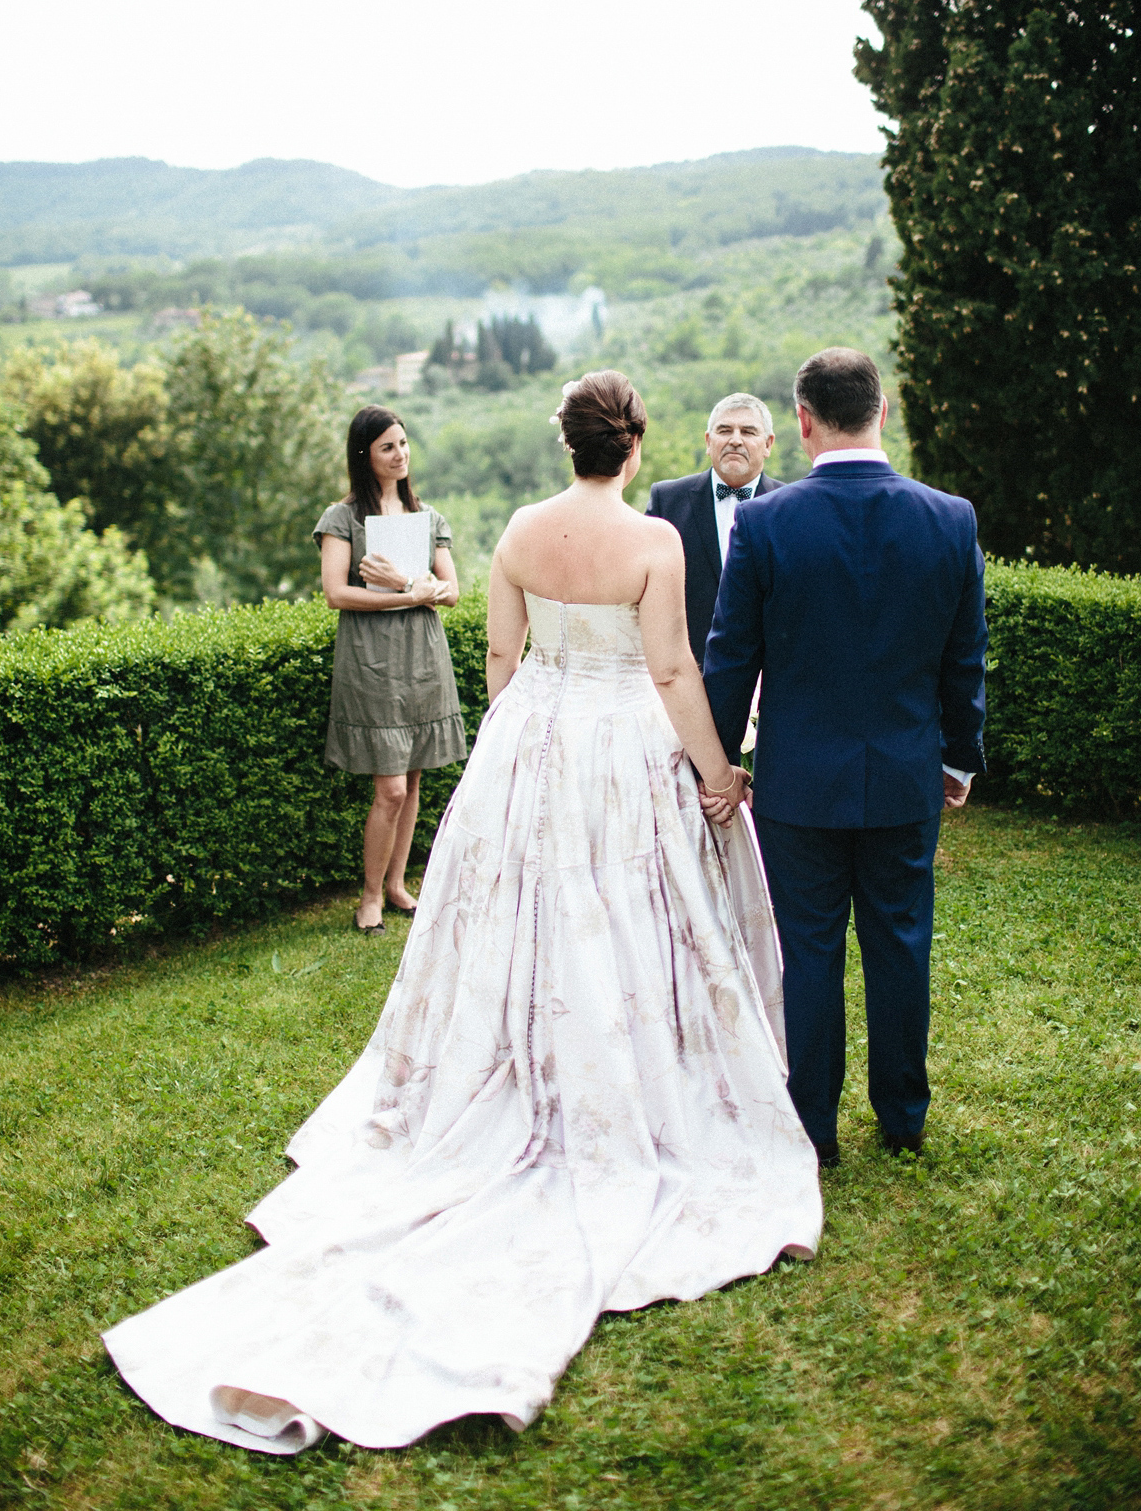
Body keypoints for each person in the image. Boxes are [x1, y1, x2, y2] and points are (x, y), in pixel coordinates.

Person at [102, 370, 822, 1453]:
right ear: (632, 449)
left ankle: (507, 1068)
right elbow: (671, 668)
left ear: (568, 443)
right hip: (622, 743)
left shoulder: (520, 531)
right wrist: (716, 773)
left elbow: (499, 654)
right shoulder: (655, 542)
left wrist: (520, 739)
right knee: (630, 914)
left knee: (513, 919)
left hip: (531, 734)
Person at [700, 348, 987, 1167]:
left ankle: (813, 1130)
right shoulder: (951, 518)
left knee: (810, 951)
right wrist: (958, 760)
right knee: (901, 943)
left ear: (801, 422)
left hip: (799, 785)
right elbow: (965, 660)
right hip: (906, 774)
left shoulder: (763, 523)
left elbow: (730, 660)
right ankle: (903, 1118)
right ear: (881, 412)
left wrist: (717, 765)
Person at [315, 406, 467, 932]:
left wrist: (409, 586)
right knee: (392, 788)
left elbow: (450, 592)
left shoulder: (429, 518)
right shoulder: (343, 519)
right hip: (372, 662)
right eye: (387, 447)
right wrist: (410, 592)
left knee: (416, 776)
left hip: (422, 658)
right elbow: (336, 593)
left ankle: (400, 884)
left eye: (403, 443)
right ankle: (370, 896)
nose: (400, 454)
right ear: (366, 455)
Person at [645, 392, 784, 667]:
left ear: (768, 444)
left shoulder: (790, 507)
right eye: (724, 430)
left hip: (767, 677)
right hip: (684, 672)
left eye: (748, 431)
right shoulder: (667, 500)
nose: (735, 439)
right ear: (708, 442)